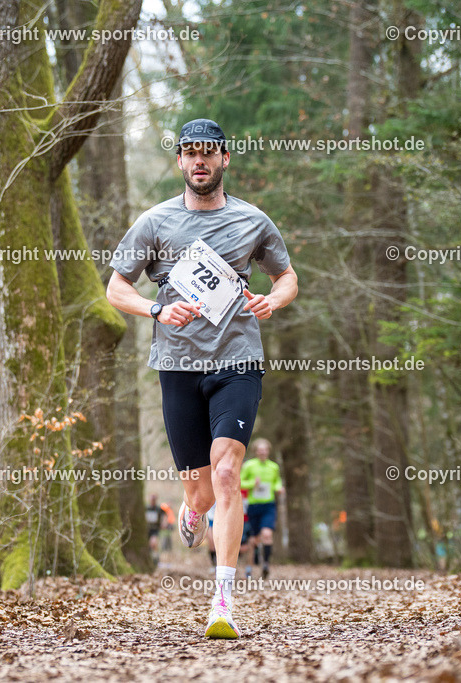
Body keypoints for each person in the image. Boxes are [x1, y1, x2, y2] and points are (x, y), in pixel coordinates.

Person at [106, 118, 298, 639]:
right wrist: (154, 310)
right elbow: (115, 289)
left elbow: (287, 276)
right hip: (177, 366)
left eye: (208, 153)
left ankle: (223, 602)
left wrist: (272, 300)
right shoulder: (154, 222)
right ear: (179, 163)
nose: (199, 161)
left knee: (227, 474)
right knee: (200, 493)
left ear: (224, 159)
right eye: (190, 153)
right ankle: (193, 515)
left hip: (237, 358)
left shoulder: (252, 221)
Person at [241, 437, 284, 579]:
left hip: (268, 505)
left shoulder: (274, 467)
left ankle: (265, 564)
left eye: (265, 450)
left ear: (268, 451)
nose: (262, 453)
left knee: (267, 535)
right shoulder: (249, 466)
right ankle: (249, 567)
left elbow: (276, 482)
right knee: (253, 540)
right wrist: (253, 483)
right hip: (253, 506)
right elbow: (240, 483)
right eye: (260, 450)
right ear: (256, 452)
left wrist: (278, 488)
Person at [146, 494, 166, 565]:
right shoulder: (146, 508)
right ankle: (149, 558)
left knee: (154, 543)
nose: (152, 501)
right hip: (146, 530)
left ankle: (156, 559)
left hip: (155, 530)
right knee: (147, 545)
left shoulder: (158, 509)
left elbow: (164, 515)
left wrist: (163, 523)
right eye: (151, 500)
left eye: (154, 500)